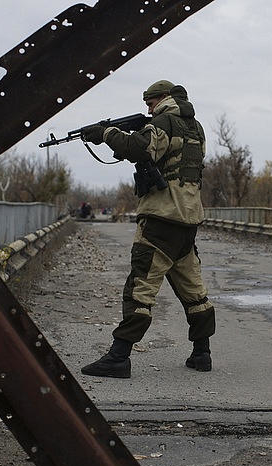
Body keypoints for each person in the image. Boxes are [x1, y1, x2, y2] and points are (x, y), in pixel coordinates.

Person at [79, 80, 215, 378]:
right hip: (187, 222)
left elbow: (138, 148)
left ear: (163, 99)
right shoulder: (196, 128)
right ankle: (202, 353)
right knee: (194, 292)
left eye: (150, 103)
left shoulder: (163, 122)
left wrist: (106, 133)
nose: (148, 109)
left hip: (160, 222)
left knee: (139, 290)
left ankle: (118, 357)